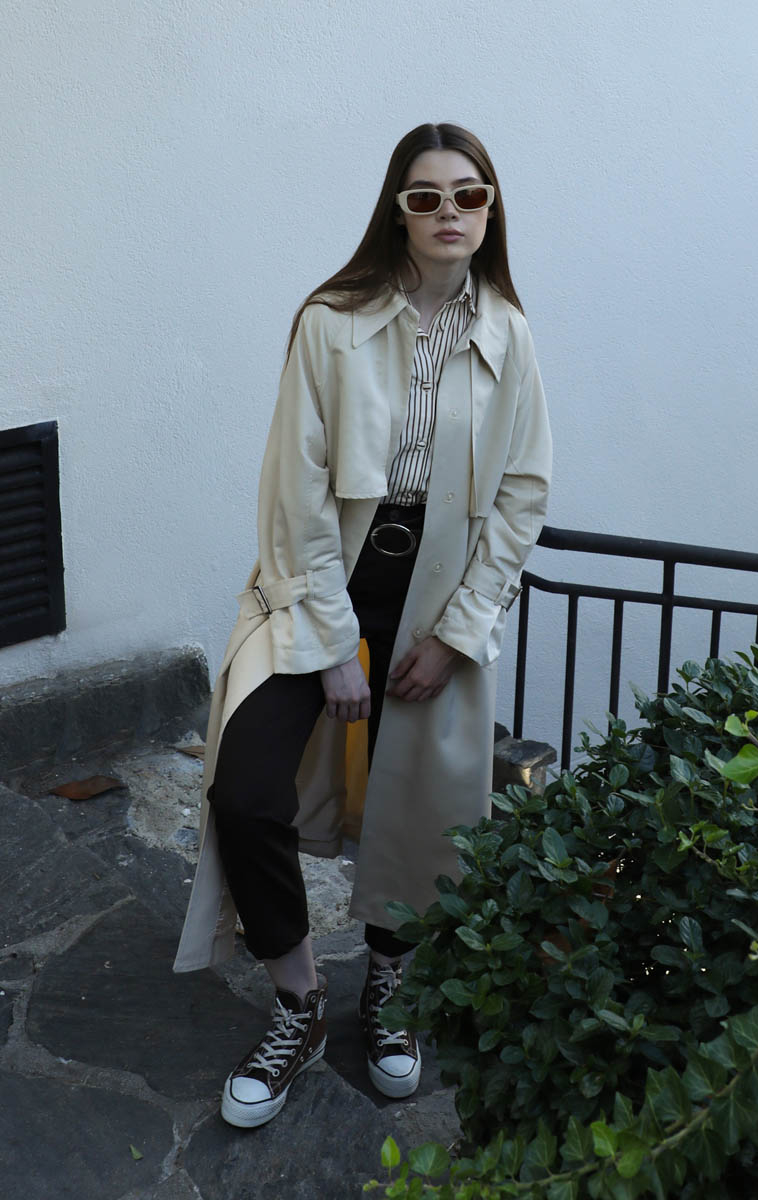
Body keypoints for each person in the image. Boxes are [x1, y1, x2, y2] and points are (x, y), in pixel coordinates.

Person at [173, 122, 552, 1129]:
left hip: (436, 601)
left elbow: (521, 493)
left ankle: (388, 990)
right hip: (317, 582)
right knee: (245, 789)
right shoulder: (331, 320)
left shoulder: (507, 333)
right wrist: (336, 642)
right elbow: (294, 486)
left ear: (490, 207)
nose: (449, 213)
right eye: (427, 197)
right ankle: (298, 1001)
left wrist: (459, 631)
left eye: (469, 195)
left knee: (417, 811)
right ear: (397, 210)